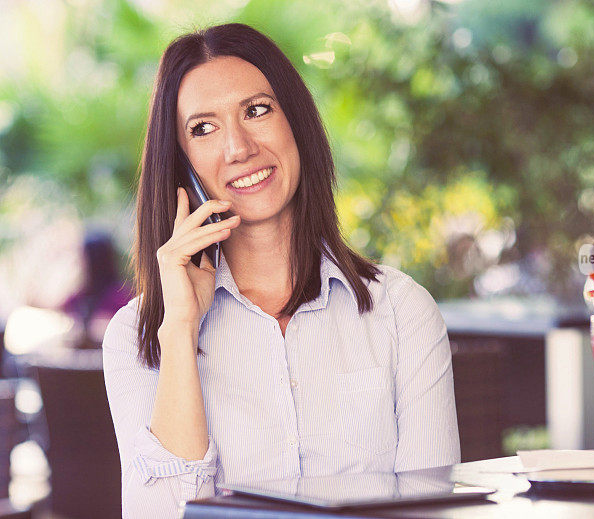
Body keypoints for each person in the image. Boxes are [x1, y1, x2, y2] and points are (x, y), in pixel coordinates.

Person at [101, 23, 460, 517]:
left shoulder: (400, 311)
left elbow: (430, 510)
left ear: (297, 122)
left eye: (256, 110)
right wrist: (181, 331)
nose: (239, 147)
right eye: (203, 128)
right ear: (182, 165)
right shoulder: (136, 337)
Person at [60, 230, 132, 348]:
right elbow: (56, 308)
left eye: (82, 257)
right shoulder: (80, 295)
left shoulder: (121, 296)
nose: (78, 262)